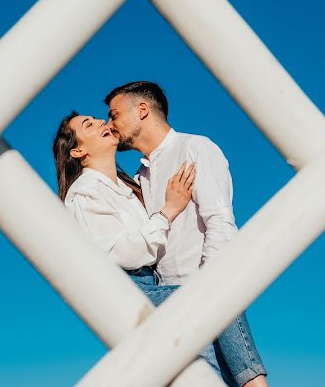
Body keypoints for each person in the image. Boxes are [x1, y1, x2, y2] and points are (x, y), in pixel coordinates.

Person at [53, 112, 265, 386]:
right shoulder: (84, 193)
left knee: (203, 350)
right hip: (128, 291)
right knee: (212, 293)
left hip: (151, 285)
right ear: (78, 150)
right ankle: (254, 381)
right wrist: (169, 210)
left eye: (98, 119)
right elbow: (121, 253)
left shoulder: (131, 186)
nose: (101, 123)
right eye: (89, 125)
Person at [104, 81, 268, 387]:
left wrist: (207, 288)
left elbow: (220, 221)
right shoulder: (139, 178)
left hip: (208, 293)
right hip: (171, 311)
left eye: (114, 115)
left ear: (142, 110)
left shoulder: (195, 148)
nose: (109, 125)